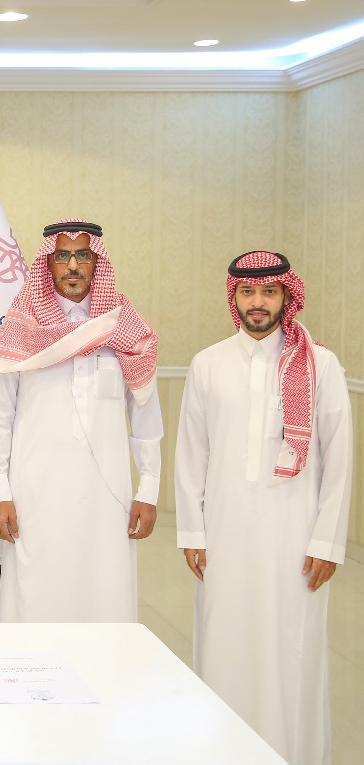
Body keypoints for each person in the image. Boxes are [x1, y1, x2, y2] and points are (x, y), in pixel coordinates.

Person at [176, 250, 352, 765]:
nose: (258, 302)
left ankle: (291, 753)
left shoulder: (320, 365)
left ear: (285, 296)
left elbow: (339, 458)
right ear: (234, 296)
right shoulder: (208, 363)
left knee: (291, 647)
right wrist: (193, 532)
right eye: (248, 291)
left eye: (269, 292)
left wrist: (327, 541)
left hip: (296, 537)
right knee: (224, 640)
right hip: (225, 533)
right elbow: (191, 454)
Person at [0, 219, 162, 623]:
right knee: (36, 597)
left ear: (97, 262)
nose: (73, 266)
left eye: (83, 255)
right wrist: (0, 492)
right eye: (62, 256)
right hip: (34, 495)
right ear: (48, 263)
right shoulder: (21, 326)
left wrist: (149, 489)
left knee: (104, 595)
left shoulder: (124, 327)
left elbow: (146, 414)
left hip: (107, 499)